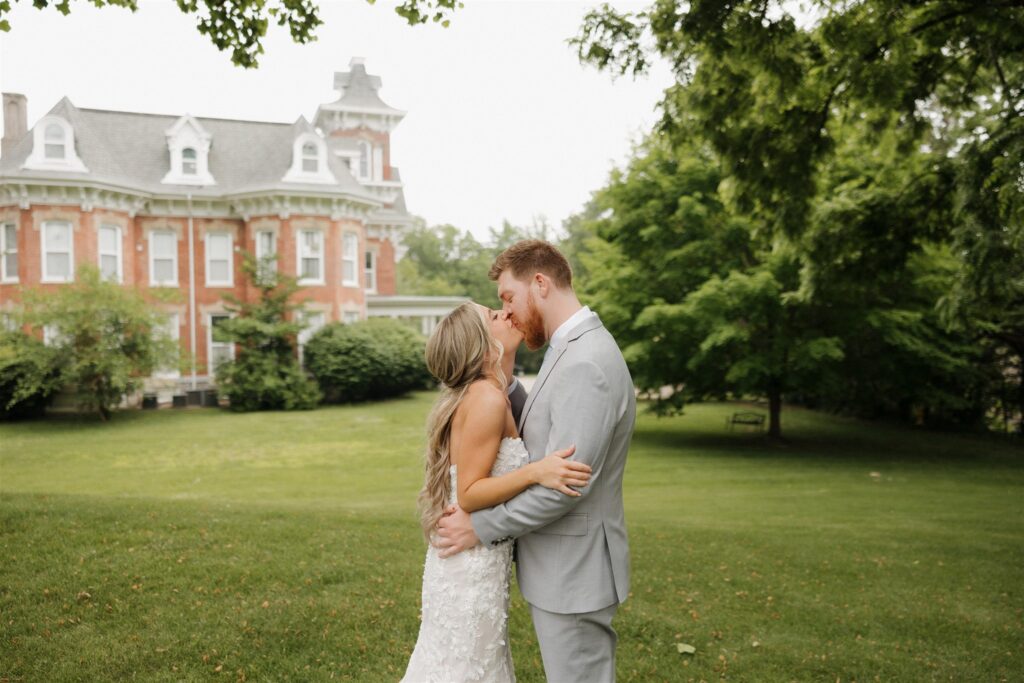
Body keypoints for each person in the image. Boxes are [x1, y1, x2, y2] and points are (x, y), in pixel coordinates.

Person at [435, 240, 636, 683]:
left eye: (508, 297)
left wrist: (479, 528)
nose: (506, 310)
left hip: (575, 571)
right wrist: (500, 375)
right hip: (563, 568)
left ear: (540, 284)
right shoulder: (569, 347)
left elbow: (565, 486)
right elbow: (541, 424)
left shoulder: (586, 362)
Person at [401, 301, 593, 683]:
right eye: (493, 315)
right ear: (482, 342)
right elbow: (471, 493)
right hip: (469, 562)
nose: (505, 314)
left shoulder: (491, 392)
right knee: (464, 666)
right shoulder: (486, 399)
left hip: (477, 556)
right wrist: (536, 472)